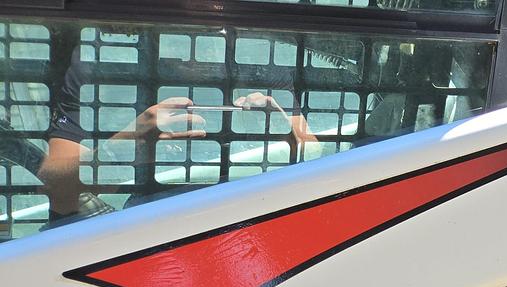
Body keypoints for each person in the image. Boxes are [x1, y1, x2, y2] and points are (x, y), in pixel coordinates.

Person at [37, 29, 315, 224]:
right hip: (144, 231)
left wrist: (277, 134)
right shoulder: (104, 71)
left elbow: (324, 167)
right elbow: (57, 191)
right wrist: (129, 141)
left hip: (254, 219)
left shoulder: (259, 66)